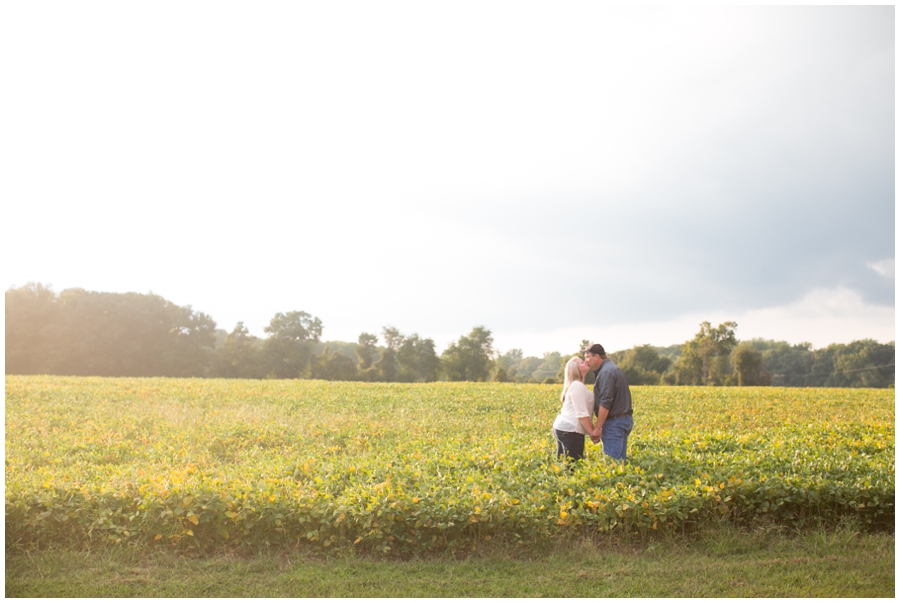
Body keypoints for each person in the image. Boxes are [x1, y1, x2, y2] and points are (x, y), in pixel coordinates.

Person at [583, 343, 633, 460]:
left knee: (612, 464)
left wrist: (598, 427)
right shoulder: (611, 368)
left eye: (588, 357)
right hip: (623, 419)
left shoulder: (606, 372)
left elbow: (606, 401)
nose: (586, 361)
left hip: (614, 423)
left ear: (597, 357)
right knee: (620, 462)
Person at [551, 356, 595, 460]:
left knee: (563, 466)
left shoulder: (575, 385)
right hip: (572, 430)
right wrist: (592, 433)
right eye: (581, 362)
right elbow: (582, 414)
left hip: (563, 428)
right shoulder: (577, 386)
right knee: (572, 468)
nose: (585, 362)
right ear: (576, 369)